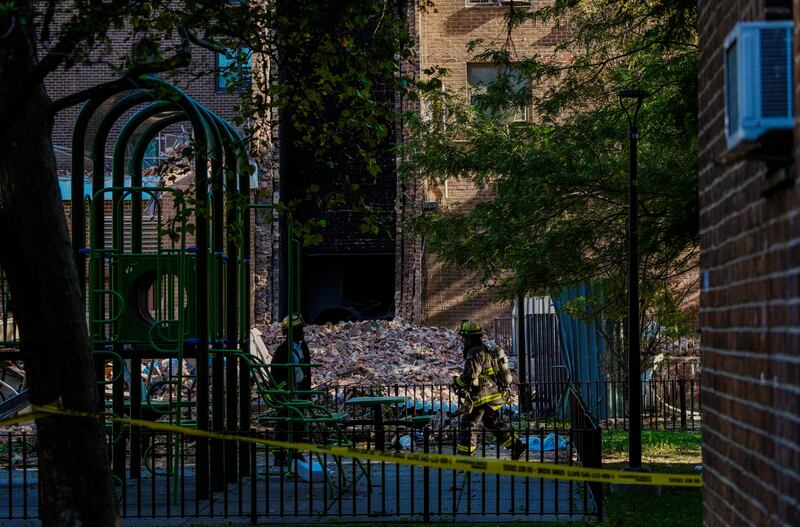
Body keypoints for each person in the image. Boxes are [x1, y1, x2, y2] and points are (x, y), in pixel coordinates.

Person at [452, 319, 526, 460]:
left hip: (483, 395)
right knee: (492, 422)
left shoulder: (475, 352)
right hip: (492, 393)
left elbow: (471, 375)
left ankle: (465, 456)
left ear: (469, 337)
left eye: (464, 337)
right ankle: (516, 445)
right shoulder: (484, 349)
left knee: (469, 423)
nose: (463, 341)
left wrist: (458, 382)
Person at [271, 313, 311, 464]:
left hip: (299, 391)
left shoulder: (302, 347)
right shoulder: (282, 350)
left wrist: (305, 391)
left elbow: (307, 371)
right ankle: (280, 456)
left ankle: (296, 453)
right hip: (286, 393)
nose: (302, 332)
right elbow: (276, 375)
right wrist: (283, 393)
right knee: (283, 423)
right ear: (290, 332)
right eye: (298, 329)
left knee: (298, 423)